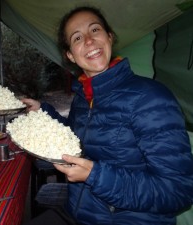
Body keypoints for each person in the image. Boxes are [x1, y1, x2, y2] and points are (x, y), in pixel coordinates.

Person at [22, 6, 193, 225]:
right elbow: (75, 137)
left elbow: (178, 192)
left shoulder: (151, 98)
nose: (89, 41)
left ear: (109, 37)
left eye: (95, 30)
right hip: (80, 212)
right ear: (70, 56)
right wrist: (43, 112)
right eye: (77, 38)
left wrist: (95, 176)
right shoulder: (84, 97)